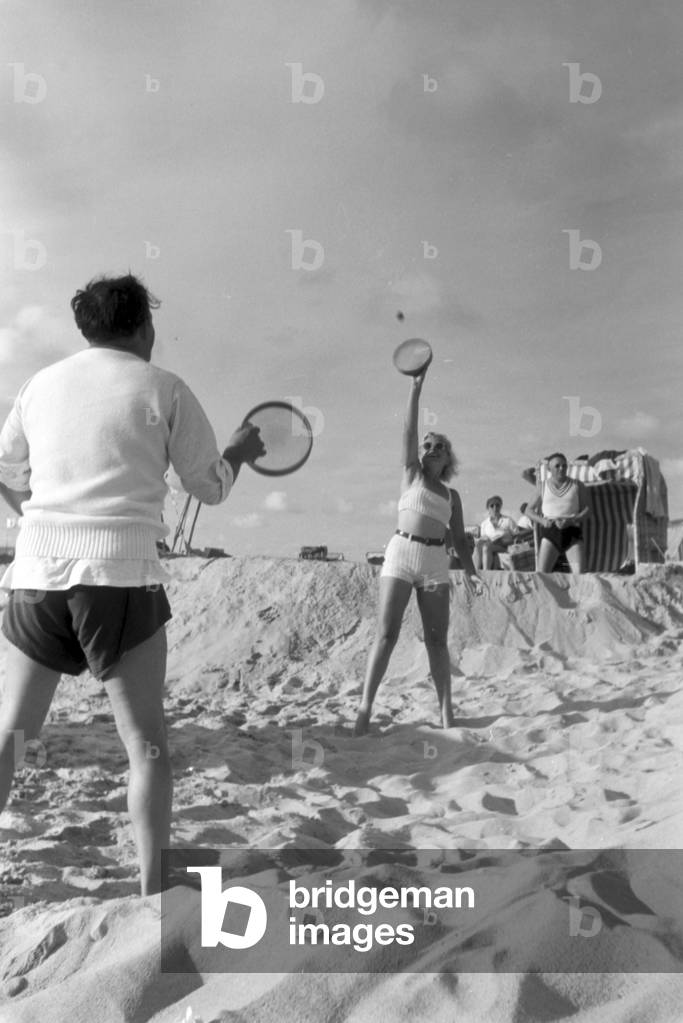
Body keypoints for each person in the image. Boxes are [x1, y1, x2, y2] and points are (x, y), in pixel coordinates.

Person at [0, 274, 265, 895]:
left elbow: (4, 465)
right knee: (145, 743)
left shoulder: (40, 385)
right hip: (120, 576)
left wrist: (35, 519)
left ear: (84, 328)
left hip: (36, 573)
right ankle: (151, 891)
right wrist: (241, 450)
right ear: (145, 328)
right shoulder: (163, 386)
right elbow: (211, 487)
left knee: (12, 731)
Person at [354, 367, 481, 736]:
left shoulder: (452, 496)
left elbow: (458, 540)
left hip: (435, 562)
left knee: (437, 640)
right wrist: (415, 387)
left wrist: (471, 570)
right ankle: (364, 709)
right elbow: (409, 430)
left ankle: (446, 712)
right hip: (401, 554)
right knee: (386, 635)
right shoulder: (411, 473)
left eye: (439, 445)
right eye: (427, 445)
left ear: (448, 457)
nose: (431, 448)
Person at [525, 452, 589, 573]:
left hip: (572, 532)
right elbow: (528, 510)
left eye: (564, 465)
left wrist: (572, 520)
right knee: (542, 575)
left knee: (580, 575)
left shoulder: (577, 485)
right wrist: (542, 521)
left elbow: (588, 510)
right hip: (551, 532)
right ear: (549, 469)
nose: (561, 468)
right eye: (557, 466)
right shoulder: (543, 486)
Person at [473, 497, 517, 569]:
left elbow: (516, 536)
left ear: (500, 507)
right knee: (479, 547)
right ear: (488, 508)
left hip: (504, 546)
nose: (495, 508)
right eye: (492, 505)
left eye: (497, 505)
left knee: (486, 547)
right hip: (488, 544)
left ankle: (486, 572)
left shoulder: (508, 520)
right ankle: (476, 571)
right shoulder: (484, 524)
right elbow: (483, 537)